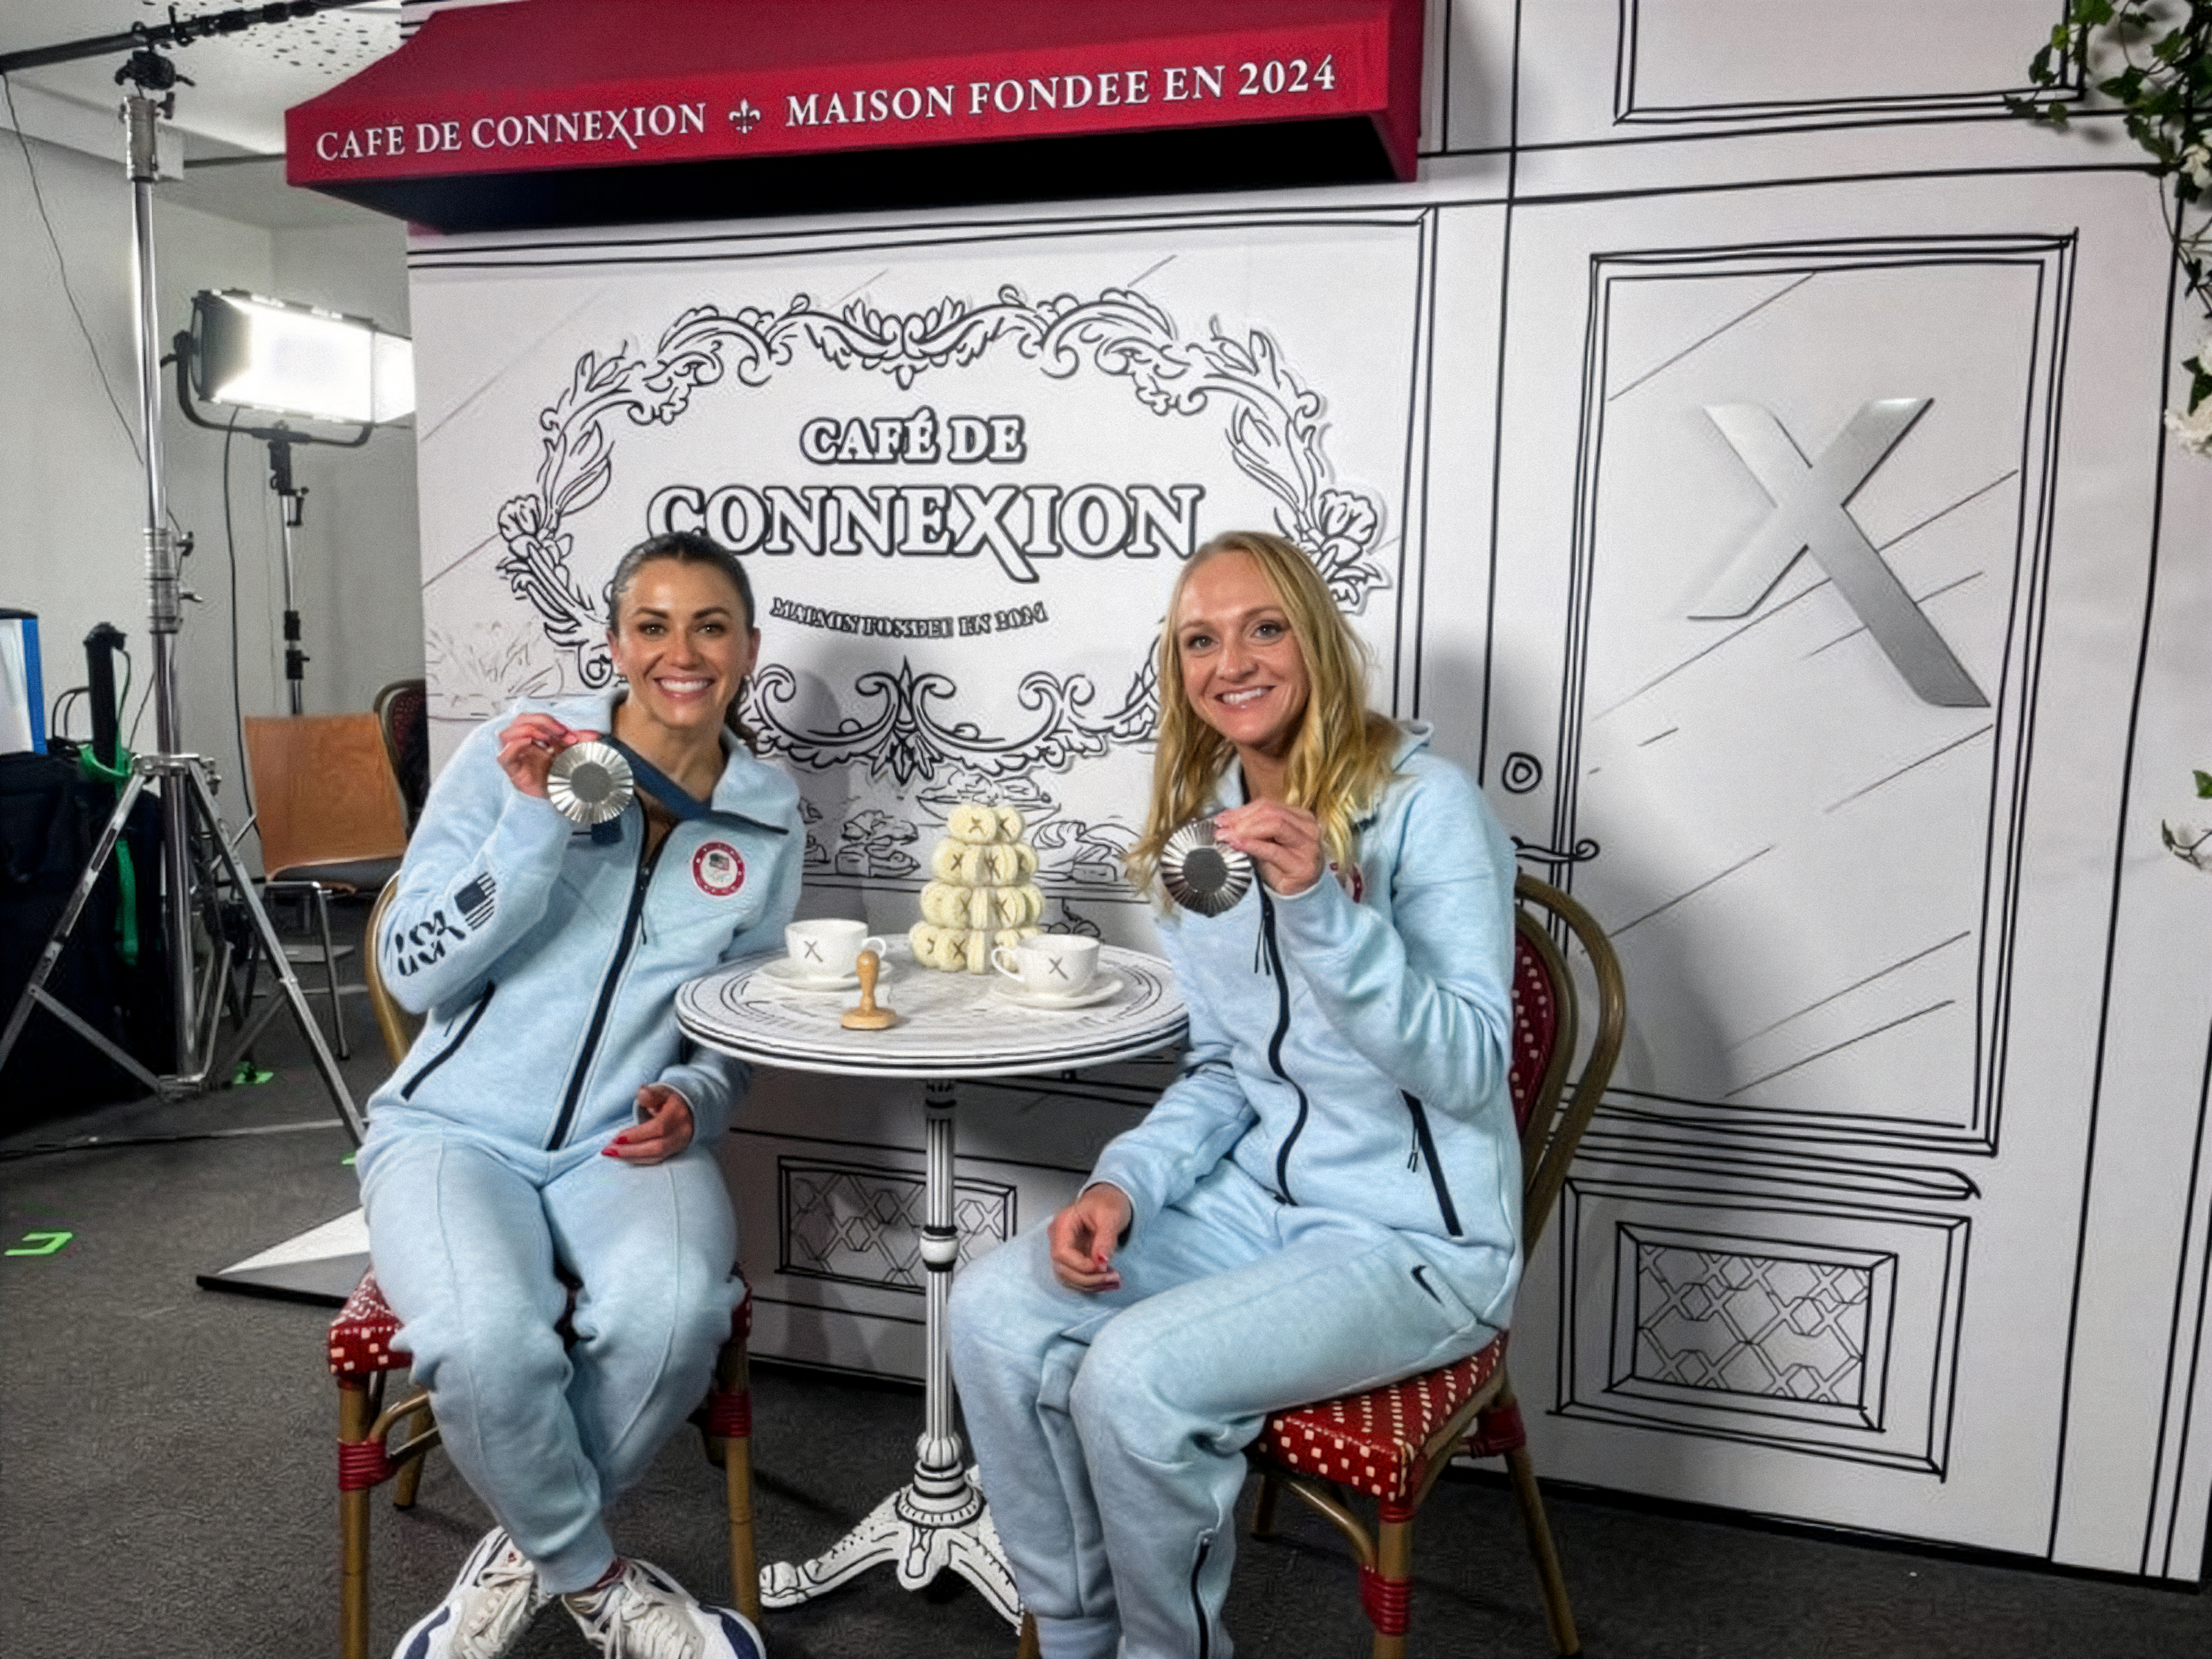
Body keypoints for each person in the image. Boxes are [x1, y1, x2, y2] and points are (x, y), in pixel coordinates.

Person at [948, 530, 1524, 1659]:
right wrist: (1126, 1186)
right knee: (993, 1311)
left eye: (1263, 627)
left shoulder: (1428, 808)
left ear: (1311, 639)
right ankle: (1074, 1638)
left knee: (1136, 1377)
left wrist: (1322, 909)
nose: (1234, 661)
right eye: (1199, 640)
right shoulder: (1198, 835)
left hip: (1418, 1241)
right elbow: (1224, 1070)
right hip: (1256, 1204)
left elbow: (1465, 1065)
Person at [361, 532, 799, 1659]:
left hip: (628, 1147)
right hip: (455, 1133)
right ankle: (598, 1579)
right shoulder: (520, 756)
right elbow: (415, 967)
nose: (681, 652)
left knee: (676, 1316)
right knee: (480, 1337)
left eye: (710, 626)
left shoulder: (767, 813)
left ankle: (526, 1552)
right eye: (652, 626)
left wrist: (697, 1097)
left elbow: (738, 1016)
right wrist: (535, 821)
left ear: (748, 650)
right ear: (615, 645)